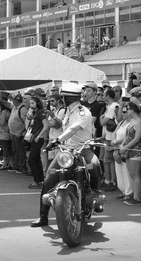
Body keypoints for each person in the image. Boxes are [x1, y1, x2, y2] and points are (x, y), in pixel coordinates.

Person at [31, 83, 102, 227]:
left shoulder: (83, 112)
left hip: (83, 149)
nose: (61, 99)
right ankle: (43, 216)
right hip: (67, 151)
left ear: (67, 98)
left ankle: (96, 195)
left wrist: (58, 139)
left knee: (95, 165)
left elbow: (74, 129)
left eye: (63, 97)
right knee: (48, 180)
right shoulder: (68, 111)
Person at [120, 102, 141, 206]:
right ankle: (135, 196)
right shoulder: (132, 121)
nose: (126, 111)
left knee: (136, 174)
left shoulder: (139, 121)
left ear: (133, 109)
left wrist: (125, 147)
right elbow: (127, 136)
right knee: (132, 174)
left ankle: (137, 198)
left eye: (128, 108)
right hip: (129, 150)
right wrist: (122, 145)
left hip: (136, 150)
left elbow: (137, 138)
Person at [112, 105, 134, 201]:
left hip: (125, 149)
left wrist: (117, 142)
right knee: (119, 171)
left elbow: (127, 136)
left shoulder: (131, 123)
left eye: (125, 111)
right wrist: (114, 143)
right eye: (123, 112)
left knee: (126, 172)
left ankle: (129, 192)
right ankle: (123, 190)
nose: (123, 113)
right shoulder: (121, 122)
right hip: (117, 148)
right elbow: (114, 133)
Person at [26, 97, 49, 188]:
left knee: (31, 159)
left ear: (37, 103)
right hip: (33, 137)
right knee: (36, 159)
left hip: (38, 138)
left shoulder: (40, 112)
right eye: (30, 103)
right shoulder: (34, 112)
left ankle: (36, 180)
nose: (31, 105)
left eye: (32, 103)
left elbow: (45, 126)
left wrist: (39, 136)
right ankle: (40, 180)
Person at [99, 88, 119, 191]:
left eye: (104, 95)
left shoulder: (113, 106)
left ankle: (112, 181)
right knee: (105, 159)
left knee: (109, 160)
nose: (102, 97)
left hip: (111, 137)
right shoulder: (108, 107)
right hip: (106, 136)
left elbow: (102, 122)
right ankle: (107, 180)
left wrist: (102, 118)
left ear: (108, 96)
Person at [0, 92, 13, 170]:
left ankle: (5, 163)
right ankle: (10, 163)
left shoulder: (4, 111)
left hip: (4, 132)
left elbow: (2, 122)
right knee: (9, 147)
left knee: (5, 148)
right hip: (7, 131)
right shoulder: (8, 110)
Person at [7, 93, 27, 172]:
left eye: (13, 100)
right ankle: (15, 166)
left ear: (17, 100)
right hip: (13, 133)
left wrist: (21, 131)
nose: (12, 101)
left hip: (19, 134)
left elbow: (25, 123)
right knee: (15, 149)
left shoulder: (22, 109)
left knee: (20, 150)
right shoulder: (14, 108)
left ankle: (21, 166)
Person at [46, 93, 66, 165]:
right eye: (50, 101)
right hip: (51, 138)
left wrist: (53, 118)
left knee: (57, 161)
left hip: (58, 138)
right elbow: (48, 124)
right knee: (51, 159)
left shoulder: (62, 110)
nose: (51, 103)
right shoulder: (53, 110)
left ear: (58, 101)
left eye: (52, 101)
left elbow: (56, 124)